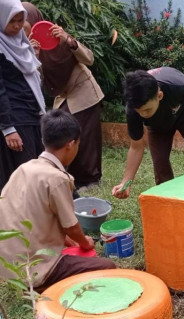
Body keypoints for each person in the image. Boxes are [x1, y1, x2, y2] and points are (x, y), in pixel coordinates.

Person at [0, 110, 115, 293]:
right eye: (78, 143)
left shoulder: (25, 168)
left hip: (9, 266)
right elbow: (71, 227)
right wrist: (85, 242)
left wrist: (71, 242)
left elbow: (42, 217)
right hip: (34, 269)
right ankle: (44, 286)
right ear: (71, 144)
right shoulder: (57, 178)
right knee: (108, 266)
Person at [22, 2, 104, 189]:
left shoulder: (57, 36)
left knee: (85, 135)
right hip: (63, 95)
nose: (24, 28)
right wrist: (33, 56)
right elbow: (38, 81)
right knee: (63, 134)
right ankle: (68, 177)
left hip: (84, 90)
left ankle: (90, 180)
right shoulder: (26, 46)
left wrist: (69, 40)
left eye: (26, 23)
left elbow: (89, 58)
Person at [112, 67, 184, 198]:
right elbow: (136, 147)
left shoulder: (177, 85)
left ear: (159, 95)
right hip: (157, 125)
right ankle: (168, 201)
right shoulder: (133, 108)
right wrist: (126, 182)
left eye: (147, 110)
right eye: (139, 112)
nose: (143, 115)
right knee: (160, 165)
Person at [0, 0, 46, 192]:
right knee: (26, 171)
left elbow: (33, 78)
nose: (18, 26)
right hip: (15, 118)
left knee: (40, 163)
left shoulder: (21, 42)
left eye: (21, 20)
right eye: (12, 21)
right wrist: (8, 128)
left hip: (32, 112)